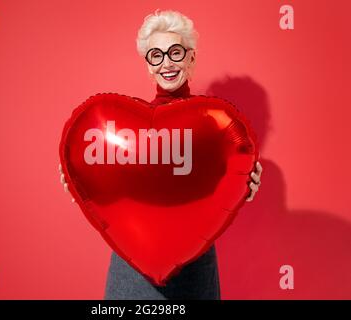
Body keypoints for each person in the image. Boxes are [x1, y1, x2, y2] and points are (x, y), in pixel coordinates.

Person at [58, 9, 262, 300]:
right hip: (132, 261)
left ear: (191, 58)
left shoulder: (215, 129)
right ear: (149, 66)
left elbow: (225, 184)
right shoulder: (122, 134)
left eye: (175, 52)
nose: (166, 63)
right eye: (156, 55)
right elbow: (111, 189)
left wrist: (246, 186)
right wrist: (80, 182)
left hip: (194, 260)